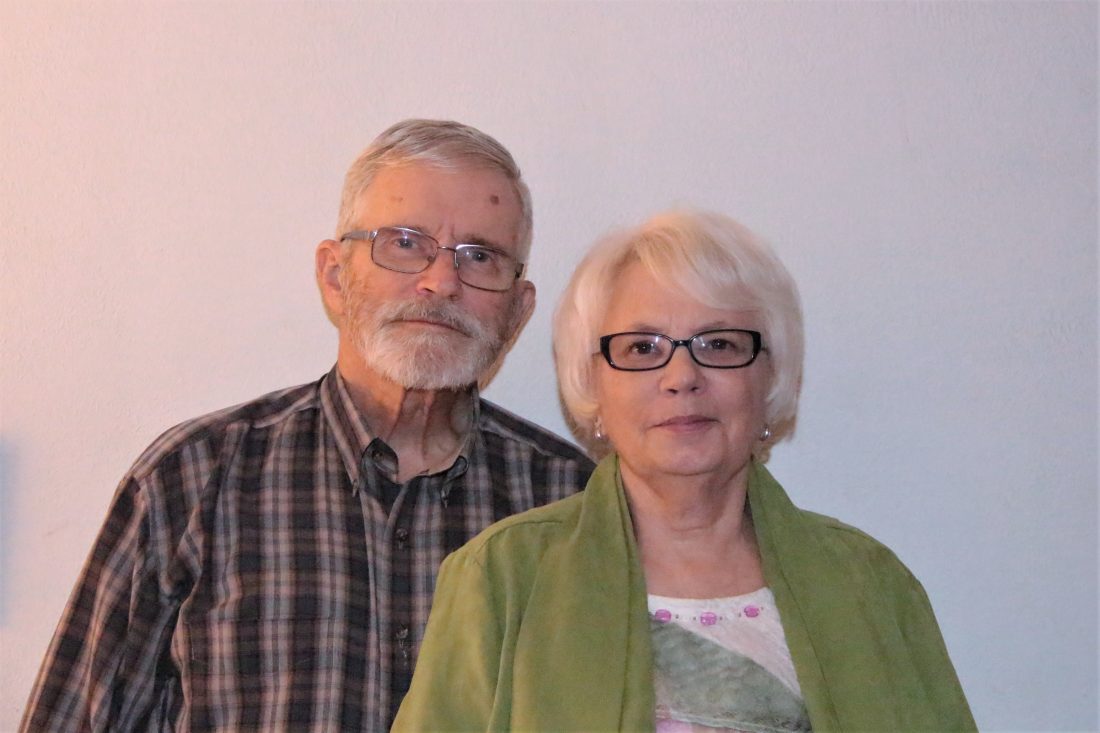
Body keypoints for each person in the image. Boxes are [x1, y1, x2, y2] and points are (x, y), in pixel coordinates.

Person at [21, 119, 594, 732]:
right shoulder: (192, 479)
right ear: (335, 275)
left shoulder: (574, 505)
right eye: (405, 243)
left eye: (479, 256)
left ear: (518, 309)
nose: (440, 281)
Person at [393, 210, 976, 732]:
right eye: (642, 348)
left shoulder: (871, 585)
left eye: (719, 345)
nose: (682, 378)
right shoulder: (502, 579)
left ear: (772, 378)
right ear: (593, 386)